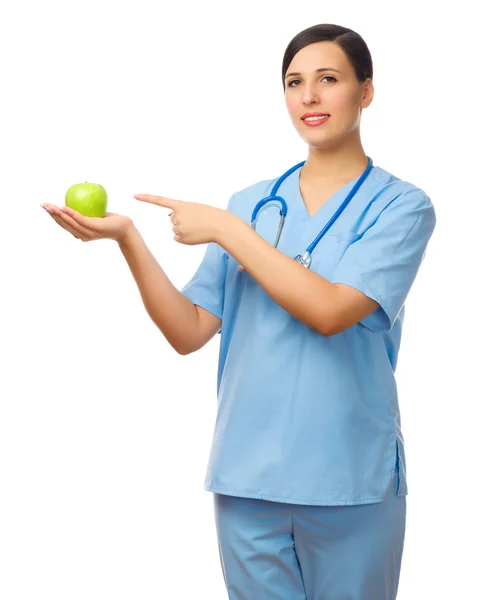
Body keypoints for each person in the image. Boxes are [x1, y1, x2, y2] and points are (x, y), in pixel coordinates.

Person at [41, 23, 436, 600]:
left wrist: (228, 231)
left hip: (348, 479)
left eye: (329, 80)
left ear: (366, 91)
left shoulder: (402, 206)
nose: (309, 97)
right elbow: (189, 330)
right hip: (247, 480)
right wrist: (128, 239)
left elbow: (330, 311)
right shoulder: (253, 203)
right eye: (294, 82)